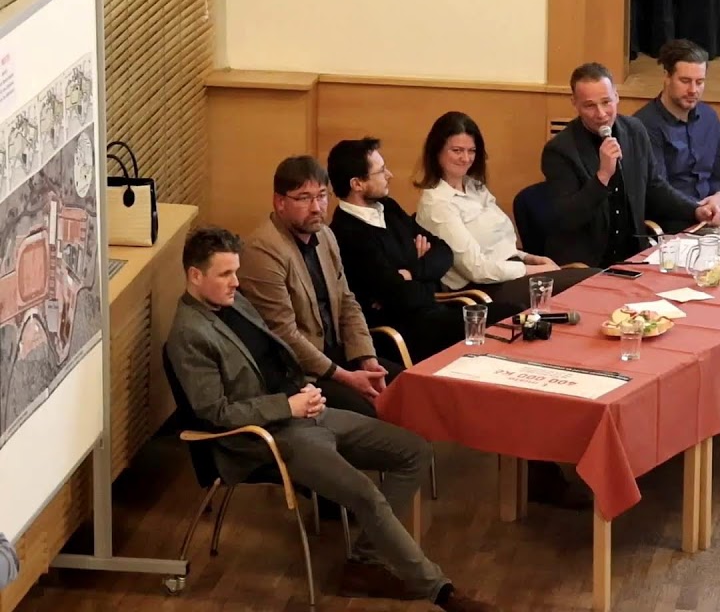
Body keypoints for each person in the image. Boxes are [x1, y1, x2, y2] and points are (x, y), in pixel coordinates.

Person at [166, 227, 498, 609]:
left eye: (235, 272)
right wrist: (287, 406)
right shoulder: (189, 334)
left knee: (415, 450)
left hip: (304, 409)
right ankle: (441, 591)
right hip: (266, 436)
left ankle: (364, 562)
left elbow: (274, 356)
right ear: (195, 275)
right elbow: (216, 413)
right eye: (225, 274)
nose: (236, 282)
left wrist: (303, 392)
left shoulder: (232, 301)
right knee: (366, 495)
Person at [325, 136, 521, 362]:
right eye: (381, 171)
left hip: (433, 312)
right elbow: (402, 297)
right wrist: (420, 273)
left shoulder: (388, 208)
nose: (389, 175)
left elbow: (444, 251)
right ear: (357, 184)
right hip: (402, 332)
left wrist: (410, 272)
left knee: (518, 314)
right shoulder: (347, 233)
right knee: (510, 319)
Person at [238, 156, 399, 419]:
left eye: (322, 196)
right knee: (375, 411)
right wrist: (346, 376)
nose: (316, 208)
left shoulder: (325, 235)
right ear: (280, 202)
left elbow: (347, 302)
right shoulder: (262, 250)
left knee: (409, 387)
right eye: (304, 198)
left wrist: (367, 359)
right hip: (301, 374)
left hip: (340, 354)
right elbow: (285, 334)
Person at [414, 111, 599, 311]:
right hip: (483, 290)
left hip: (510, 273)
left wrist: (528, 258)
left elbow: (496, 245)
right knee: (592, 283)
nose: (465, 158)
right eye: (457, 150)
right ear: (437, 151)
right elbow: (477, 269)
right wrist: (530, 269)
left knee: (597, 280)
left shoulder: (475, 187)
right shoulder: (437, 203)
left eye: (471, 151)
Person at [541, 62, 720, 267]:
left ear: (617, 97)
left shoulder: (634, 131)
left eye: (606, 102)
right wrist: (602, 177)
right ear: (575, 103)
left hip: (632, 255)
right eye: (590, 106)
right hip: (587, 262)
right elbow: (567, 218)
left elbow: (655, 186)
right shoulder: (560, 150)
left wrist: (695, 210)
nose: (601, 114)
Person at [633, 39, 720, 211]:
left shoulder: (709, 118)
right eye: (685, 81)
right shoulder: (644, 125)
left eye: (699, 82)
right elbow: (658, 193)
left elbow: (714, 179)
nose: (693, 90)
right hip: (673, 218)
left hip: (711, 212)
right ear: (667, 77)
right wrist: (697, 210)